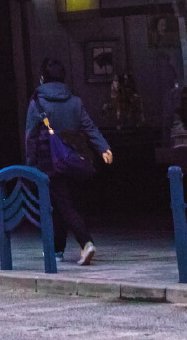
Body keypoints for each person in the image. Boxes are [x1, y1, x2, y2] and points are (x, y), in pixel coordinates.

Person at [21, 77, 116, 265]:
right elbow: (89, 128)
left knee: (63, 204)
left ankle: (85, 242)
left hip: (49, 162)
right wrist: (104, 147)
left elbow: (30, 137)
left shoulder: (37, 103)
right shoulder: (75, 102)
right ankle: (57, 250)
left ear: (42, 78)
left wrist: (31, 166)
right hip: (74, 159)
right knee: (62, 204)